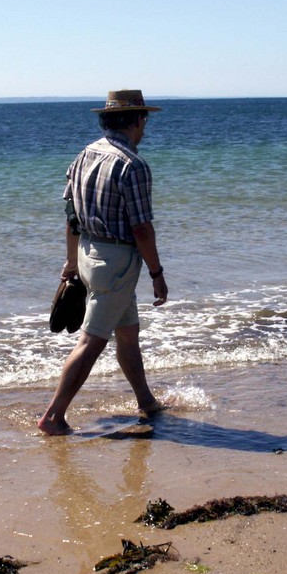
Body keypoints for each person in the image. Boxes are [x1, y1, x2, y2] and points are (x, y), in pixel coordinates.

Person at [38, 89, 169, 435]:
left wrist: (70, 263)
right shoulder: (133, 165)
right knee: (92, 341)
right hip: (117, 261)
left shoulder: (84, 155)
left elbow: (71, 216)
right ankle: (53, 416)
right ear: (136, 120)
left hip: (88, 253)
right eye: (145, 120)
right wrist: (157, 273)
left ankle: (146, 401)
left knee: (127, 334)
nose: (145, 127)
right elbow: (141, 228)